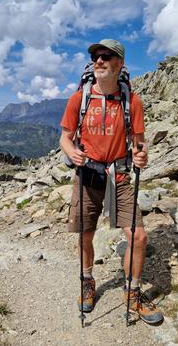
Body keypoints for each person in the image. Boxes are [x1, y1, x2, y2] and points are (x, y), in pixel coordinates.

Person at [59, 39, 163, 325]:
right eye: (95, 56)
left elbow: (139, 144)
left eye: (106, 56)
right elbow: (65, 138)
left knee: (138, 236)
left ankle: (132, 293)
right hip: (87, 175)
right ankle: (88, 281)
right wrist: (72, 153)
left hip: (118, 176)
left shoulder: (132, 101)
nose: (99, 60)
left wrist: (141, 157)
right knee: (84, 234)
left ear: (119, 64)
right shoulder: (78, 99)